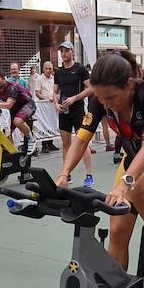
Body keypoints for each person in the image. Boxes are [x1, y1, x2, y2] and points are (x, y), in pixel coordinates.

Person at [57, 50, 144, 281]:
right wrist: (64, 175)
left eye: (111, 98)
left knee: (138, 184)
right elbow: (81, 139)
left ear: (128, 84)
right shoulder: (99, 101)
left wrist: (126, 183)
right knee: (117, 234)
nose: (106, 105)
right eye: (101, 98)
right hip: (132, 161)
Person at [53, 41, 95, 184]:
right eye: (62, 51)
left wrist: (74, 98)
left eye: (66, 51)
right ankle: (67, 174)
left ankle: (89, 175)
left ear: (72, 52)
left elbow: (90, 89)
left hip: (77, 111)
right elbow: (55, 91)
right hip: (64, 112)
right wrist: (56, 104)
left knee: (82, 142)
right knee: (66, 143)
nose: (64, 54)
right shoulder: (58, 71)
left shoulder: (80, 69)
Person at [0, 67, 37, 153]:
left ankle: (31, 139)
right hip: (14, 108)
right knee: (6, 132)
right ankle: (13, 153)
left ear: (4, 78)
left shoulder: (12, 87)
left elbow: (8, 105)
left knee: (17, 121)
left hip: (27, 104)